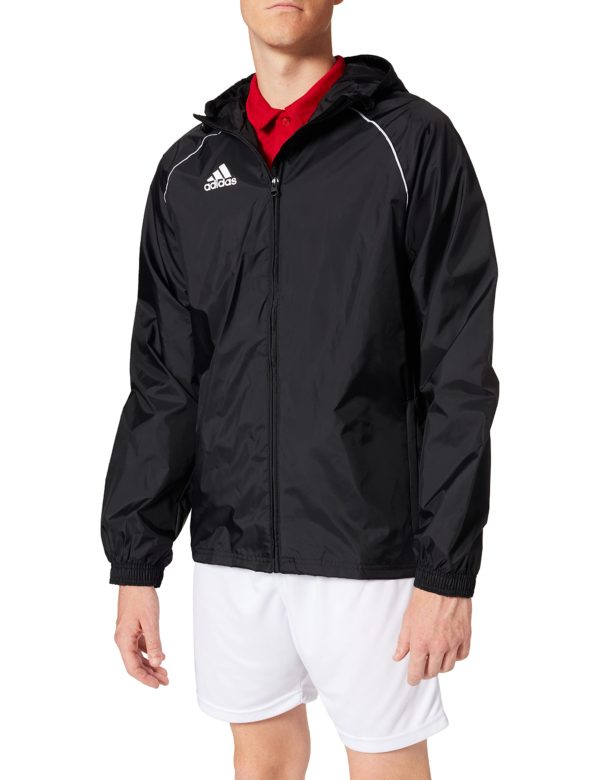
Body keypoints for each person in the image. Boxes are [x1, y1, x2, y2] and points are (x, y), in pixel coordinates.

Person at [100, 1, 499, 777]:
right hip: (233, 548)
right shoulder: (189, 171)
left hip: (372, 549)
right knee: (262, 763)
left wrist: (446, 572)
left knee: (387, 764)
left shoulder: (411, 142)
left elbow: (458, 370)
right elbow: (165, 381)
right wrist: (136, 563)